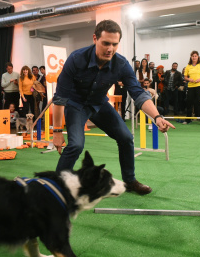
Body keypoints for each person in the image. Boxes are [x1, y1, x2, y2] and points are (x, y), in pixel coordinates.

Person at [52, 20, 174, 195]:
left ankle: (130, 181)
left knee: (126, 137)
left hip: (99, 103)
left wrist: (157, 117)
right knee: (76, 145)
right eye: (106, 43)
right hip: (76, 104)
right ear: (95, 39)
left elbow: (138, 93)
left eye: (114, 44)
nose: (110, 49)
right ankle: (56, 186)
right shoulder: (76, 59)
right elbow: (60, 98)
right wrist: (56, 131)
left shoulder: (121, 64)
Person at [183, 50, 200, 125]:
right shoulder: (188, 66)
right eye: (193, 56)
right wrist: (189, 79)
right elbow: (185, 77)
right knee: (189, 103)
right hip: (191, 86)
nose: (194, 57)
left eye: (195, 56)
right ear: (191, 57)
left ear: (198, 57)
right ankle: (188, 119)